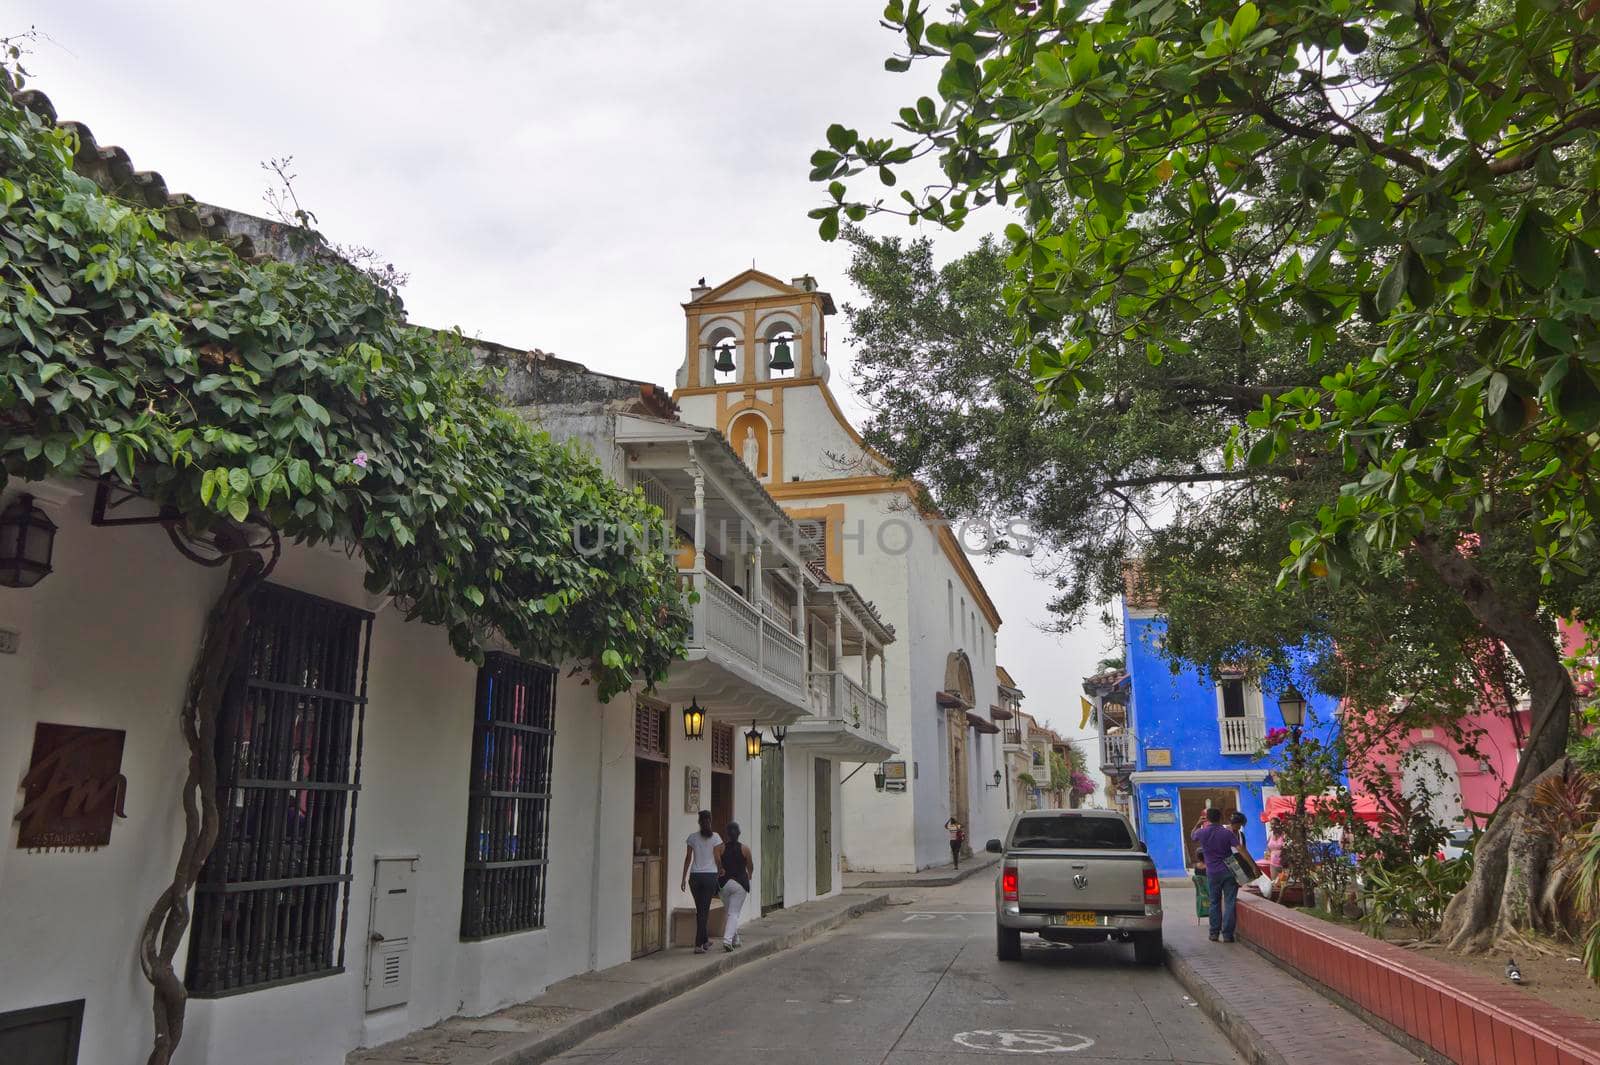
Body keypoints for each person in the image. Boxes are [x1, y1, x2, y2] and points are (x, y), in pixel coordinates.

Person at [1190, 808, 1248, 943]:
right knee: (1229, 903)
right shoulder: (1227, 833)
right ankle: (1227, 935)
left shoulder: (1202, 832)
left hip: (1212, 873)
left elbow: (1193, 836)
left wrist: (1198, 823)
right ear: (1221, 818)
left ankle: (1214, 933)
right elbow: (1240, 849)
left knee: (1214, 903)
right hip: (1229, 872)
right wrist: (1251, 866)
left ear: (1207, 819)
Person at [680, 810, 722, 954]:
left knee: (701, 910)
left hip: (695, 877)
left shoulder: (692, 837)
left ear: (699, 822)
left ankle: (704, 941)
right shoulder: (716, 837)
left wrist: (683, 878)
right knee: (704, 910)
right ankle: (698, 945)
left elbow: (688, 859)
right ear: (710, 821)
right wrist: (721, 872)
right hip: (709, 877)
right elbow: (717, 858)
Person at [715, 821, 753, 953]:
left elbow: (718, 865)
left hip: (724, 884)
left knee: (729, 912)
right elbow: (750, 865)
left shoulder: (719, 849)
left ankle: (735, 939)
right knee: (734, 913)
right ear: (739, 834)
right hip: (739, 884)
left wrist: (721, 870)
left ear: (726, 834)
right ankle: (727, 940)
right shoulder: (745, 849)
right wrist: (750, 876)